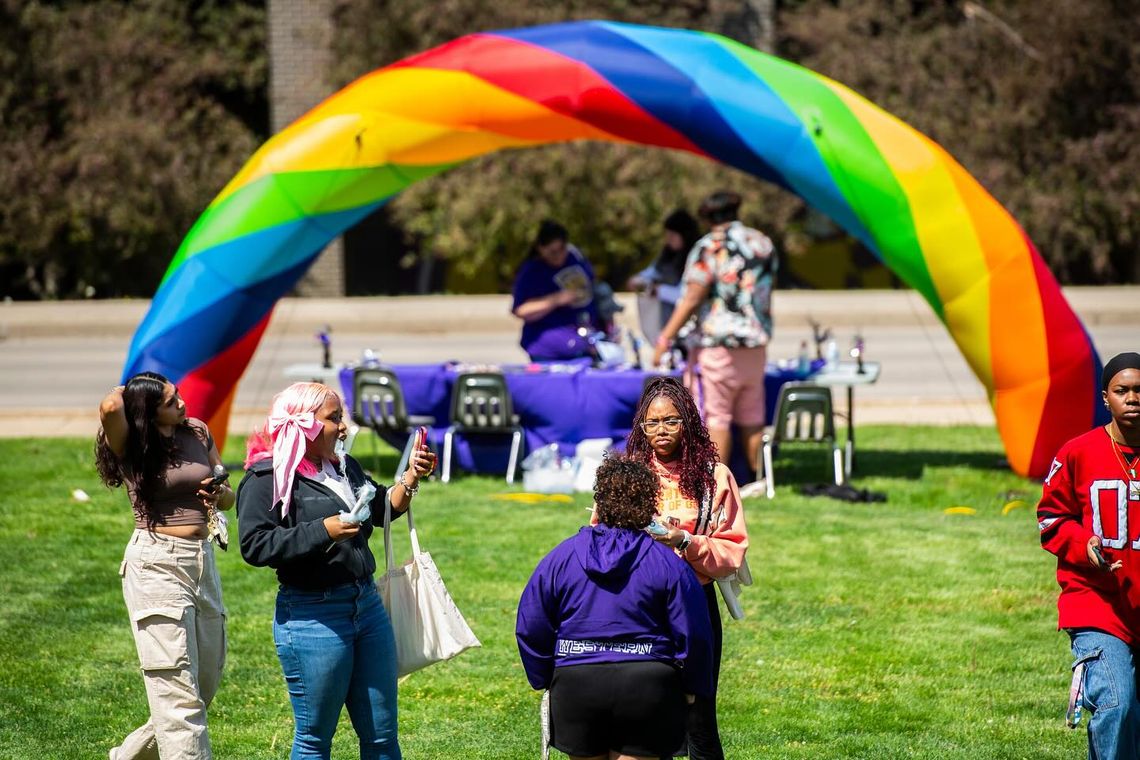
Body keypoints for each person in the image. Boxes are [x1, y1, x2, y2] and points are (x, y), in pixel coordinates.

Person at [236, 382, 434, 760]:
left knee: (382, 735)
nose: (344, 428)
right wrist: (323, 530)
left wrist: (410, 479)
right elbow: (256, 545)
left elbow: (381, 510)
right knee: (314, 739)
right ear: (304, 425)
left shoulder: (343, 465)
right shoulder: (266, 478)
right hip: (313, 616)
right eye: (334, 419)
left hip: (366, 608)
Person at [517, 455, 713, 760]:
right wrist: (691, 687)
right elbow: (696, 633)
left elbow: (530, 624)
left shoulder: (560, 558)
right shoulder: (668, 564)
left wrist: (544, 677)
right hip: (647, 685)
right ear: (650, 503)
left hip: (577, 682)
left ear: (599, 502)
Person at [95, 371, 234, 759]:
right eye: (170, 402)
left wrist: (218, 491)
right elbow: (110, 406)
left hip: (202, 563)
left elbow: (229, 499)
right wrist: (135, 388)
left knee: (200, 687)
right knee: (178, 696)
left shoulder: (198, 431)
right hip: (157, 563)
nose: (182, 404)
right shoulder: (131, 443)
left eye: (178, 395)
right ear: (147, 413)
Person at [622, 375, 749, 760]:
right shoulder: (627, 474)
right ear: (641, 426)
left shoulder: (715, 477)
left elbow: (732, 549)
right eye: (653, 422)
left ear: (688, 422)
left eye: (671, 421)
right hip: (640, 609)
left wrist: (684, 542)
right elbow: (601, 537)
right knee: (645, 718)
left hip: (695, 604)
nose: (661, 431)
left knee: (700, 718)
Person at [1038, 352, 1140, 760]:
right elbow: (1051, 517)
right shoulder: (1077, 452)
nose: (1132, 398)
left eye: (1139, 390)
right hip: (1097, 603)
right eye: (1122, 390)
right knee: (1117, 704)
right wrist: (1085, 545)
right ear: (1105, 397)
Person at [651, 191, 778, 473]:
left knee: (716, 417)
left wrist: (664, 338)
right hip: (755, 344)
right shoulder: (762, 243)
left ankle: (716, 484)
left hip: (718, 344)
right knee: (752, 414)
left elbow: (693, 296)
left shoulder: (710, 246)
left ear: (708, 216)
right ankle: (759, 478)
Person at [511, 219, 600, 362]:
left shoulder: (576, 258)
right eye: (553, 252)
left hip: (585, 347)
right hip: (548, 353)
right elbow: (521, 310)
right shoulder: (532, 271)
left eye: (562, 249)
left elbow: (594, 292)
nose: (559, 256)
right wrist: (556, 300)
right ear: (541, 248)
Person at [628, 209, 702, 339]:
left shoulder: (697, 257)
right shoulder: (667, 256)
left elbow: (688, 296)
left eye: (673, 235)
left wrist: (659, 291)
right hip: (665, 322)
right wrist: (638, 281)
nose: (668, 240)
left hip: (688, 327)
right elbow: (650, 274)